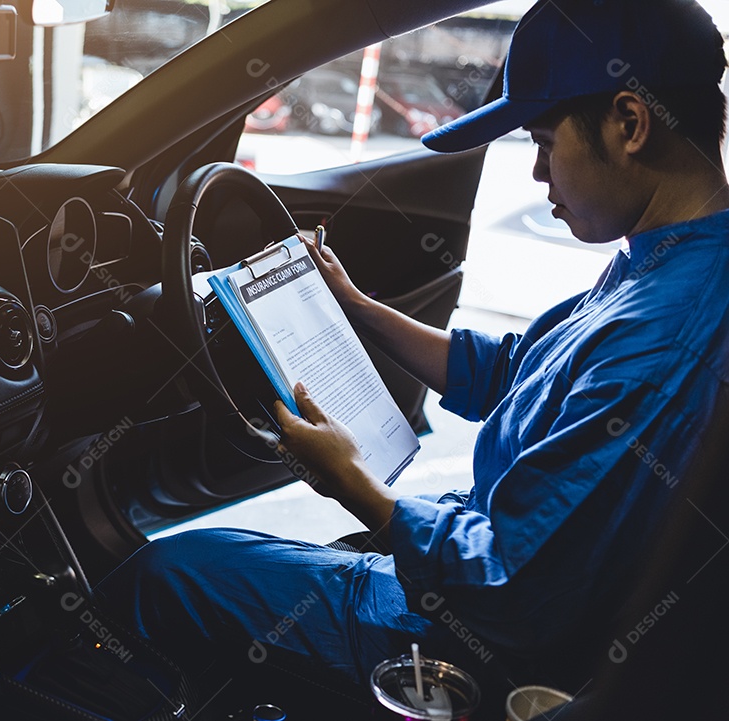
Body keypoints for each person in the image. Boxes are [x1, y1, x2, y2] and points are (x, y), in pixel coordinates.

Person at [96, 0, 729, 696]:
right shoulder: (670, 259)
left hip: (469, 639)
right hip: (477, 562)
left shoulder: (661, 338)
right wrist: (359, 308)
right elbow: (520, 370)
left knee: (166, 576)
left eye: (546, 143)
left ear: (630, 124)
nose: (538, 173)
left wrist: (357, 488)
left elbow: (516, 593)